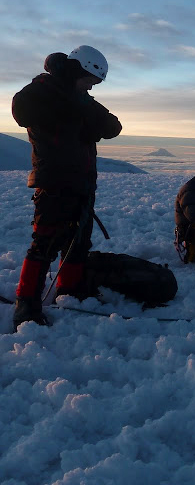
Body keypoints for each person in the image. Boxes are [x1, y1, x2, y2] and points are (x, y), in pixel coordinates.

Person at [11, 46, 122, 330]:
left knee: (78, 241)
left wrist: (83, 109)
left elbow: (113, 126)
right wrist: (72, 109)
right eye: (91, 81)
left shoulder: (81, 98)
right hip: (53, 181)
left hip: (82, 183)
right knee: (45, 243)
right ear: (78, 70)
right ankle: (27, 304)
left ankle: (70, 289)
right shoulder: (42, 88)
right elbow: (20, 110)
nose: (92, 86)